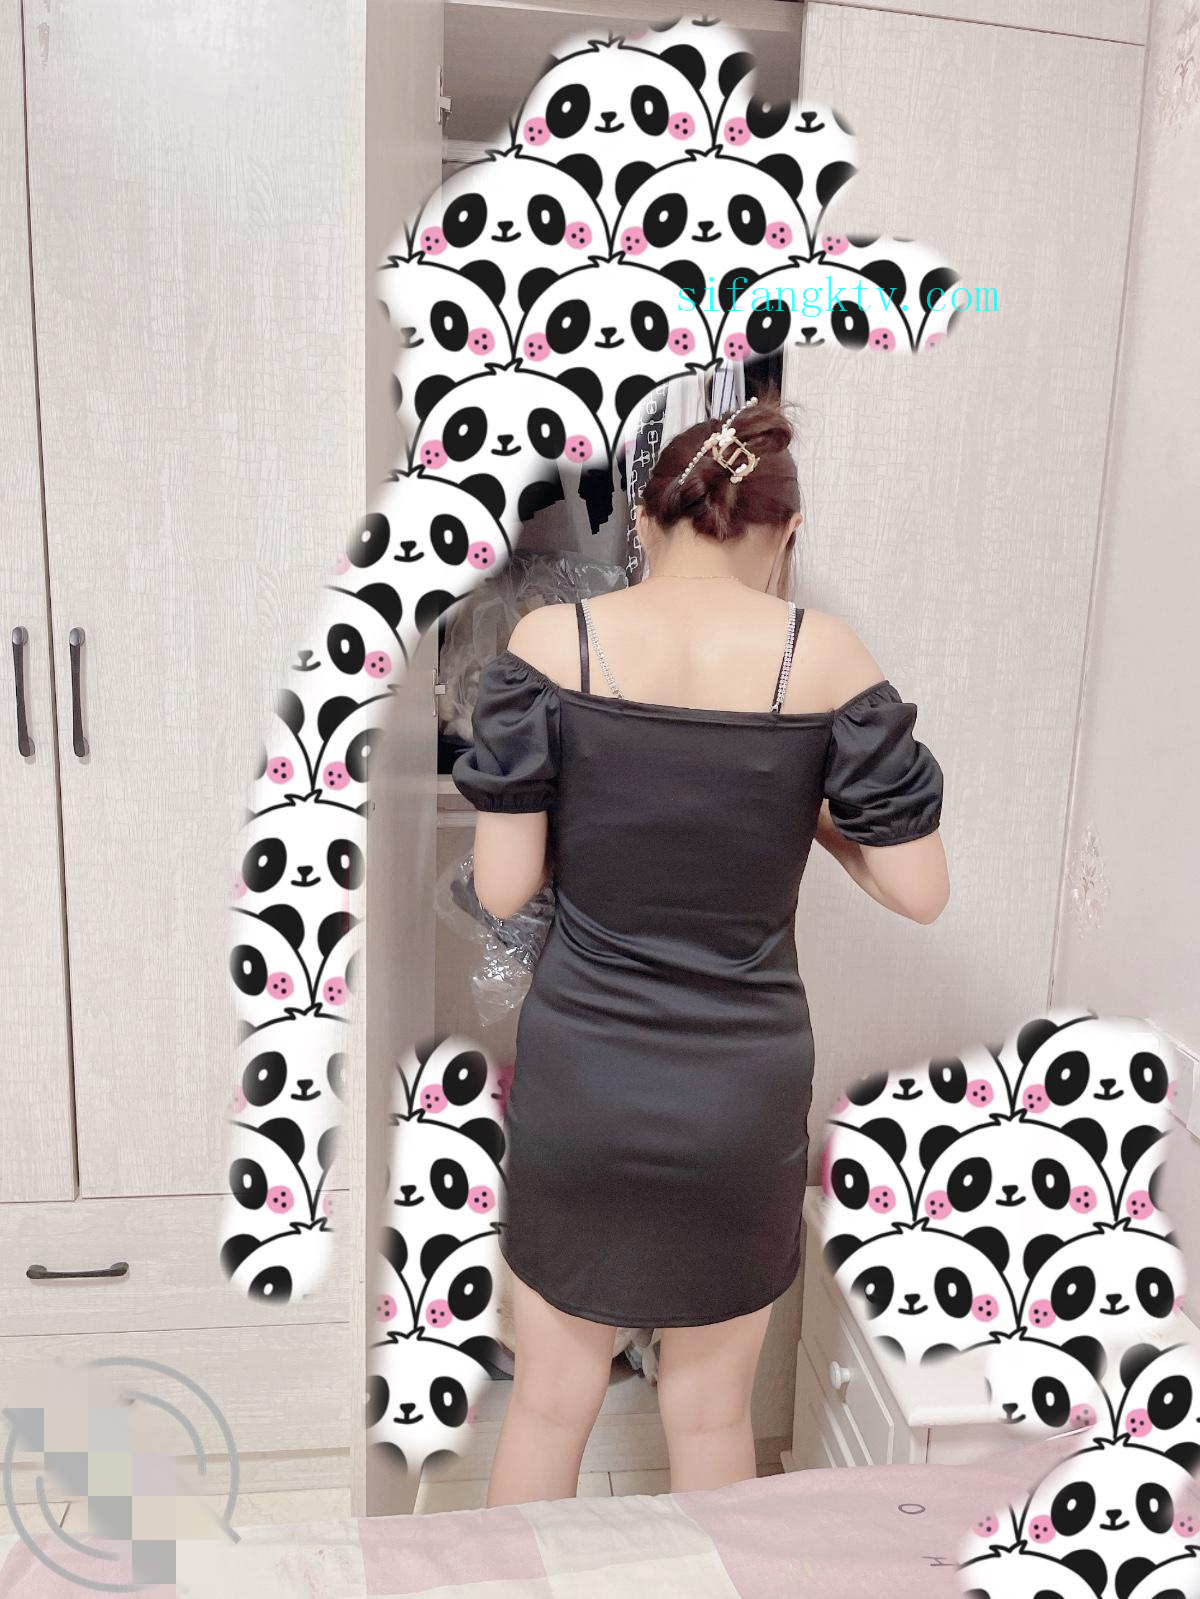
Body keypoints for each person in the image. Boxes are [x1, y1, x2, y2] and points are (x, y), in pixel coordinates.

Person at [451, 394, 949, 1507]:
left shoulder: (554, 643)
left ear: (644, 517)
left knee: (550, 1401)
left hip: (584, 1081)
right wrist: (816, 819)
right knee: (714, 1412)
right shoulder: (823, 655)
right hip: (740, 1094)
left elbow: (504, 886)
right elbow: (920, 890)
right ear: (787, 533)